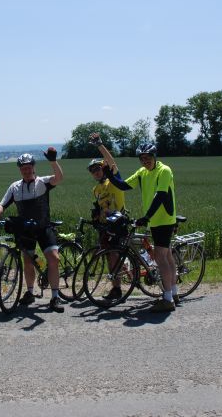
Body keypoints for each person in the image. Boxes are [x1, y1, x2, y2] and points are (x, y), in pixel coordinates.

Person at [104, 143, 178, 312]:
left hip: (165, 219)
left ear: (154, 156)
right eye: (142, 158)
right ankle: (173, 293)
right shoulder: (142, 173)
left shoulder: (164, 170)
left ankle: (167, 299)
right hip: (155, 221)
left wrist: (146, 217)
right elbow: (124, 185)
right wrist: (109, 175)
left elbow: (160, 196)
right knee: (166, 256)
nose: (145, 161)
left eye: (148, 157)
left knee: (160, 258)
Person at [0, 148, 65, 313]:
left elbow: (59, 178)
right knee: (28, 262)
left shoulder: (43, 182)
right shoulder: (15, 187)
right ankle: (30, 293)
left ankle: (55, 297)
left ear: (33, 167)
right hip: (26, 230)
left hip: (44, 227)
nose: (26, 170)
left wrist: (53, 161)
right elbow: (2, 204)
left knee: (53, 259)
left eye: (29, 167)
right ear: (20, 169)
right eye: (23, 168)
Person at [88, 132, 127, 301]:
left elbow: (112, 162)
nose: (96, 172)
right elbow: (100, 207)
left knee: (113, 256)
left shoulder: (113, 181)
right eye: (92, 171)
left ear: (103, 168)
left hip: (119, 223)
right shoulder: (96, 190)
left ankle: (117, 289)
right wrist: (96, 215)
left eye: (98, 168)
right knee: (110, 256)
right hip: (106, 226)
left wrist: (99, 144)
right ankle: (121, 279)